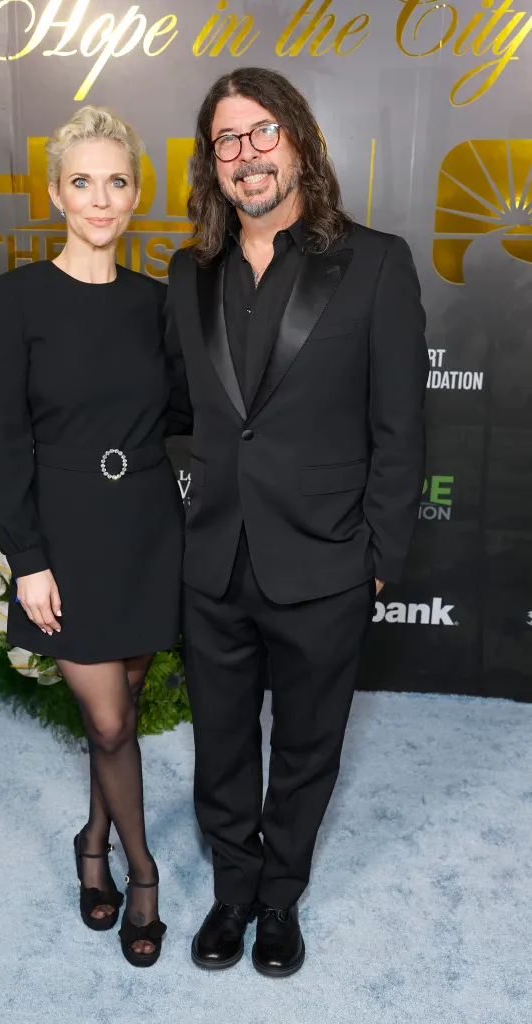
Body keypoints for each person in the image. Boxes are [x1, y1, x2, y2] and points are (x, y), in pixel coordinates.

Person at [165, 68, 429, 977]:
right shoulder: (188, 272)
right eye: (226, 140)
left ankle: (279, 897)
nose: (245, 155)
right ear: (211, 163)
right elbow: (178, 408)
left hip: (325, 559)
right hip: (214, 555)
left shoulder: (376, 262)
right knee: (219, 741)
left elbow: (399, 427)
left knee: (308, 746)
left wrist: (378, 556)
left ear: (299, 141)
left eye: (261, 133)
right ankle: (232, 889)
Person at [0, 106, 189, 968]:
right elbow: (3, 441)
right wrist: (27, 559)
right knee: (106, 722)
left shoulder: (157, 303)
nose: (100, 199)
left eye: (116, 182)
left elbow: (183, 409)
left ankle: (91, 845)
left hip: (145, 523)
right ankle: (142, 874)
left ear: (135, 195)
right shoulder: (13, 298)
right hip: (64, 535)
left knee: (122, 711)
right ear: (55, 194)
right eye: (82, 182)